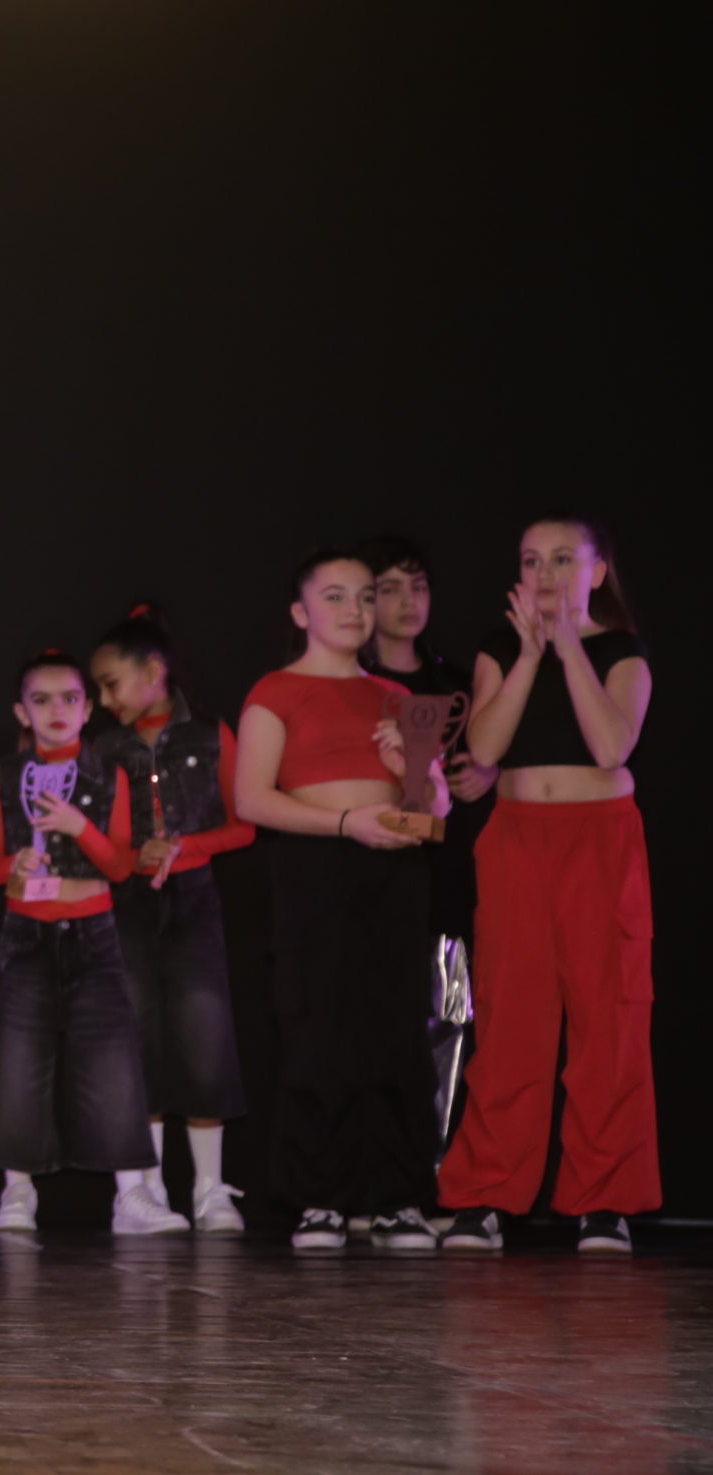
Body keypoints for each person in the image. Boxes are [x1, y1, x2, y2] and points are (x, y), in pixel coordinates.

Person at [439, 515, 656, 1255]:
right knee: (511, 1018)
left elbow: (611, 744)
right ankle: (486, 1194)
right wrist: (532, 654)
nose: (545, 573)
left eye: (564, 559)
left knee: (608, 1018)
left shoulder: (623, 653)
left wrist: (568, 647)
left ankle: (605, 1202)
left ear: (596, 572)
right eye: (532, 560)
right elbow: (484, 744)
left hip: (600, 841)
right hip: (518, 840)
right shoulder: (500, 649)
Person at [233, 550, 442, 1253]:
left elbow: (432, 812)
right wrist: (347, 823)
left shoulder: (395, 695)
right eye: (335, 596)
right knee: (317, 1028)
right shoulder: (275, 689)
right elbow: (250, 798)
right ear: (301, 612)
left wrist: (411, 773)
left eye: (364, 596)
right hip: (314, 865)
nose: (354, 610)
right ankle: (318, 1198)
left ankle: (396, 1199)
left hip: (395, 871)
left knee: (396, 1030)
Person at [0, 651, 187, 1237]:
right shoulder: (5, 776)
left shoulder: (108, 775)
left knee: (114, 1059)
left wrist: (78, 826)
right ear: (22, 711)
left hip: (93, 930)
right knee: (15, 1058)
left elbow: (120, 866)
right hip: (25, 932)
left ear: (88, 709)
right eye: (40, 700)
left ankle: (132, 1193)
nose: (56, 710)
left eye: (69, 698)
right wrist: (14, 864)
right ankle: (17, 1190)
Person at [90, 605, 255, 1233]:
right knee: (138, 1036)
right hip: (128, 904)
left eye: (111, 684)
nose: (104, 701)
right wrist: (131, 857)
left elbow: (245, 824)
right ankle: (146, 1190)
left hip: (195, 898)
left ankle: (211, 1188)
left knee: (205, 1032)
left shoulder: (211, 734)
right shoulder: (104, 747)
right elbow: (96, 838)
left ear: (152, 671)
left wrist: (187, 847)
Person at [358, 536, 497, 1170]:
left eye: (417, 587)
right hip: (368, 877)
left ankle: (435, 1172)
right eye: (389, 589)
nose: (407, 602)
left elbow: (497, 753)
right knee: (369, 1024)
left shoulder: (457, 683)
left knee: (448, 1020)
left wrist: (486, 773)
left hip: (445, 881)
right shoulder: (353, 683)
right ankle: (370, 1177)